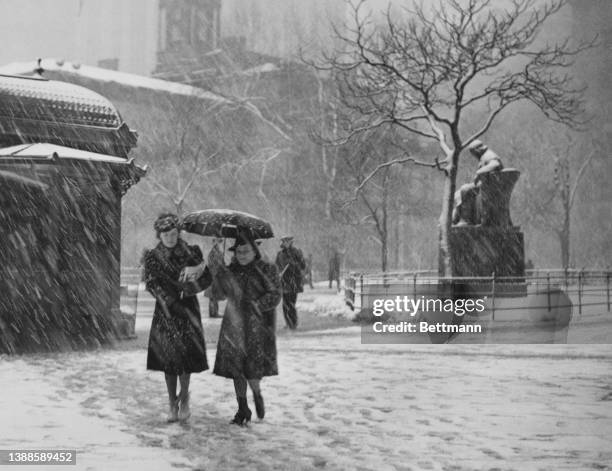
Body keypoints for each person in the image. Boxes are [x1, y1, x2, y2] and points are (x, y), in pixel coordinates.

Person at [143, 213, 212, 423]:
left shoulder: (192, 252)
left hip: (188, 310)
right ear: (159, 235)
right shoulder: (153, 257)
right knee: (168, 360)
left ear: (178, 233)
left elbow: (207, 277)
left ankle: (185, 397)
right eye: (166, 235)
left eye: (173, 234)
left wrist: (190, 289)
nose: (170, 238)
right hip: (165, 312)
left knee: (186, 359)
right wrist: (168, 299)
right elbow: (150, 283)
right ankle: (172, 402)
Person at [208, 229, 281, 425]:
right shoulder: (230, 271)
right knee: (236, 368)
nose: (241, 256)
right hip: (233, 325)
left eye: (245, 251)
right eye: (238, 252)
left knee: (252, 369)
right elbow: (218, 295)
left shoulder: (267, 270)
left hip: (257, 326)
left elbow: (275, 294)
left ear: (254, 251)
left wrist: (257, 305)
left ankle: (256, 393)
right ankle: (242, 408)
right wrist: (217, 273)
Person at [452, 140, 504, 225]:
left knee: (466, 189)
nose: (474, 155)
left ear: (477, 150)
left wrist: (479, 172)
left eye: (473, 152)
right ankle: (456, 218)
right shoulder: (484, 156)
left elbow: (495, 164)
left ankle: (466, 220)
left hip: (490, 187)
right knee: (458, 193)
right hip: (484, 185)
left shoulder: (489, 155)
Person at [275, 235, 306, 329]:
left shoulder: (296, 253)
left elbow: (303, 266)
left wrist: (294, 265)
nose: (285, 243)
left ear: (290, 242)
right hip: (284, 282)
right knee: (285, 304)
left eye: (287, 241)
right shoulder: (280, 254)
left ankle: (293, 323)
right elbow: (276, 267)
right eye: (284, 241)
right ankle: (288, 322)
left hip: (294, 282)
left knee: (291, 303)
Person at [204, 237, 225, 318]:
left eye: (220, 241)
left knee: (214, 296)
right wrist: (220, 268)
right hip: (214, 276)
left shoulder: (218, 252)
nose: (219, 243)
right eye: (218, 241)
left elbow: (220, 264)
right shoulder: (214, 252)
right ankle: (213, 313)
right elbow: (213, 265)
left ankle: (214, 313)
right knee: (213, 296)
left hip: (215, 276)